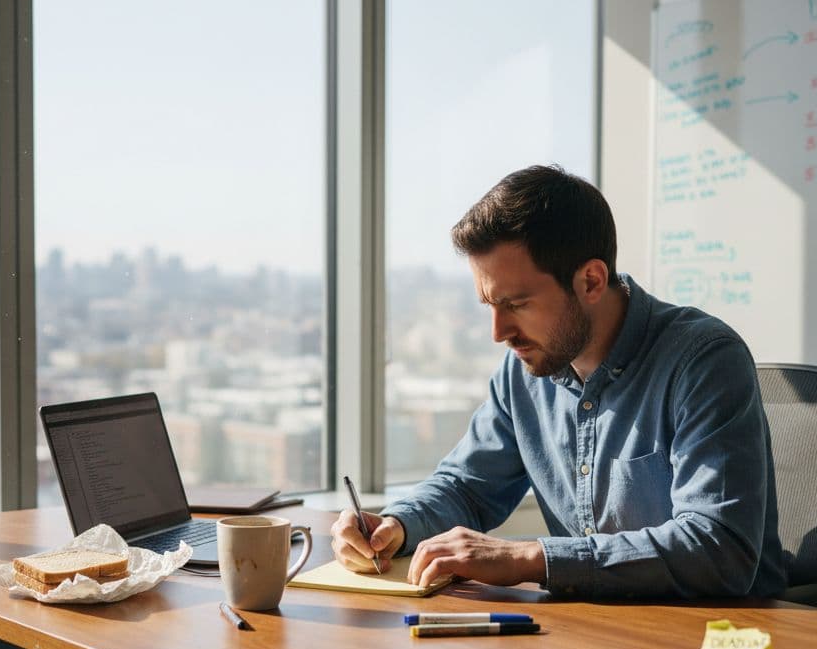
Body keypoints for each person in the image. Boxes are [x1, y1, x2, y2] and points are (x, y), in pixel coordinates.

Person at [330, 165, 786, 598]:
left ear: (590, 281)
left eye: (518, 304)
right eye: (489, 305)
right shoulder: (524, 370)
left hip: (730, 639)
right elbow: (468, 486)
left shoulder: (703, 361)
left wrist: (533, 558)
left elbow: (719, 548)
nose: (499, 333)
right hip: (602, 638)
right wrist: (398, 525)